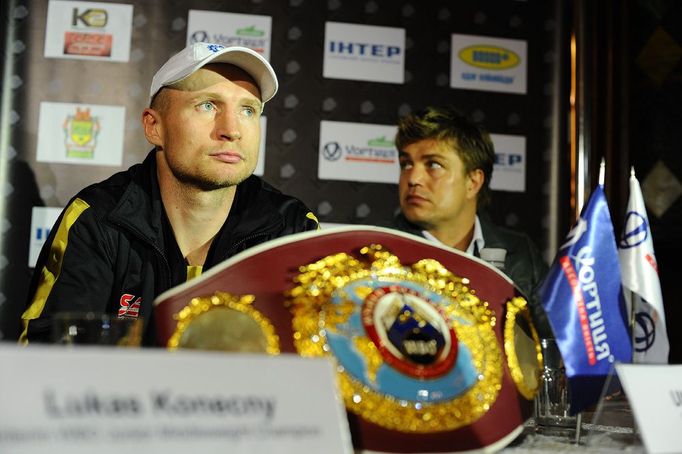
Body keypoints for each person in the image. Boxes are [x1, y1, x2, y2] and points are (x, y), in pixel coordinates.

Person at [21, 42, 319, 345]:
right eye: (207, 105)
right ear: (154, 126)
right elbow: (51, 357)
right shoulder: (97, 218)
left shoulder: (294, 229)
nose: (231, 129)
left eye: (248, 110)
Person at [392, 106, 550, 336]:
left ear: (473, 182)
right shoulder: (378, 251)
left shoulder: (521, 254)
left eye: (433, 164)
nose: (413, 178)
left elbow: (554, 350)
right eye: (406, 164)